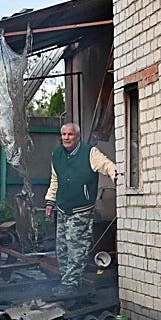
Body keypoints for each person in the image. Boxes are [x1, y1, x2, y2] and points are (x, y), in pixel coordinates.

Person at [44, 122, 118, 298]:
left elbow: (107, 165)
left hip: (81, 209)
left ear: (77, 137)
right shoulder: (57, 155)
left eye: (70, 135)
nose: (67, 138)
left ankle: (71, 286)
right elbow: (55, 181)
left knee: (76, 247)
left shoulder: (89, 153)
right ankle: (66, 282)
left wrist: (116, 175)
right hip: (62, 208)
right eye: (64, 135)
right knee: (62, 248)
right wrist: (50, 202)